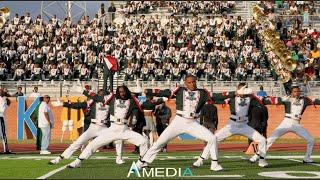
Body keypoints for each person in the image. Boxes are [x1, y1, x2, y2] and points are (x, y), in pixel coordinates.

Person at [136, 75, 223, 171]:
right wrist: (148, 91)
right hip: (179, 121)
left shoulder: (203, 93)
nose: (192, 84)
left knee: (212, 138)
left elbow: (217, 96)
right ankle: (141, 162)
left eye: (194, 81)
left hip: (192, 122)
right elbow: (164, 92)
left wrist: (235, 93)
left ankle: (214, 164)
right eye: (189, 82)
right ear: (185, 83)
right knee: (159, 142)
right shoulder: (180, 90)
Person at [67, 85, 148, 168]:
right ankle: (77, 162)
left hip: (124, 129)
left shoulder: (132, 100)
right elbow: (97, 97)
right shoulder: (112, 97)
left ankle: (142, 162)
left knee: (144, 141)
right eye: (119, 91)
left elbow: (136, 112)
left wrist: (133, 122)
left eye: (123, 91)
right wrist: (83, 91)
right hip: (112, 129)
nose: (122, 93)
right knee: (92, 145)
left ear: (126, 91)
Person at [193, 83, 269, 168]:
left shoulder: (250, 98)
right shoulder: (232, 97)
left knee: (262, 140)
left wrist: (252, 95)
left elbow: (263, 102)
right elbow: (217, 99)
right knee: (213, 139)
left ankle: (261, 160)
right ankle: (200, 160)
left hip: (244, 125)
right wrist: (232, 93)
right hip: (232, 125)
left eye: (245, 89)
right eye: (242, 89)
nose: (244, 91)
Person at [49, 89, 124, 165]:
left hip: (105, 127)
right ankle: (59, 158)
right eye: (100, 94)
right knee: (78, 142)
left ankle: (119, 158)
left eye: (103, 95)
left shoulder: (111, 103)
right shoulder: (92, 102)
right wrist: (63, 104)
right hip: (93, 126)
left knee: (118, 139)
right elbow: (78, 105)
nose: (101, 96)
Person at [256, 83, 320, 164]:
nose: (297, 93)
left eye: (298, 91)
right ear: (291, 92)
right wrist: (260, 99)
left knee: (311, 140)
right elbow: (272, 100)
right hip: (286, 122)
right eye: (295, 91)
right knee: (271, 139)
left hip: (296, 124)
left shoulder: (305, 100)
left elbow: (316, 101)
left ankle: (307, 158)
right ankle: (257, 155)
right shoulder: (287, 99)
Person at [0, 89, 13, 154]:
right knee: (3, 133)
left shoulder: (5, 99)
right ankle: (6, 150)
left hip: (2, 116)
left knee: (3, 134)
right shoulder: (4, 99)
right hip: (1, 116)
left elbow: (9, 102)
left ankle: (6, 149)